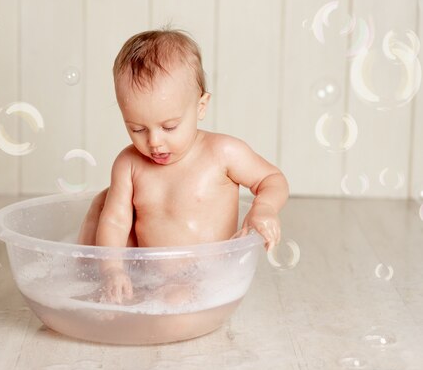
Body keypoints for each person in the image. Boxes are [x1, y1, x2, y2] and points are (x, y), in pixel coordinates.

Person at [77, 28, 289, 305]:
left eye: (169, 126)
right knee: (104, 203)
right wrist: (113, 271)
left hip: (202, 277)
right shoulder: (128, 163)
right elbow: (116, 221)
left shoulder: (222, 152)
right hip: (144, 273)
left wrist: (265, 208)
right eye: (137, 128)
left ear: (201, 106)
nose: (154, 142)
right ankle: (86, 272)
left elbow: (271, 179)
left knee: (176, 304)